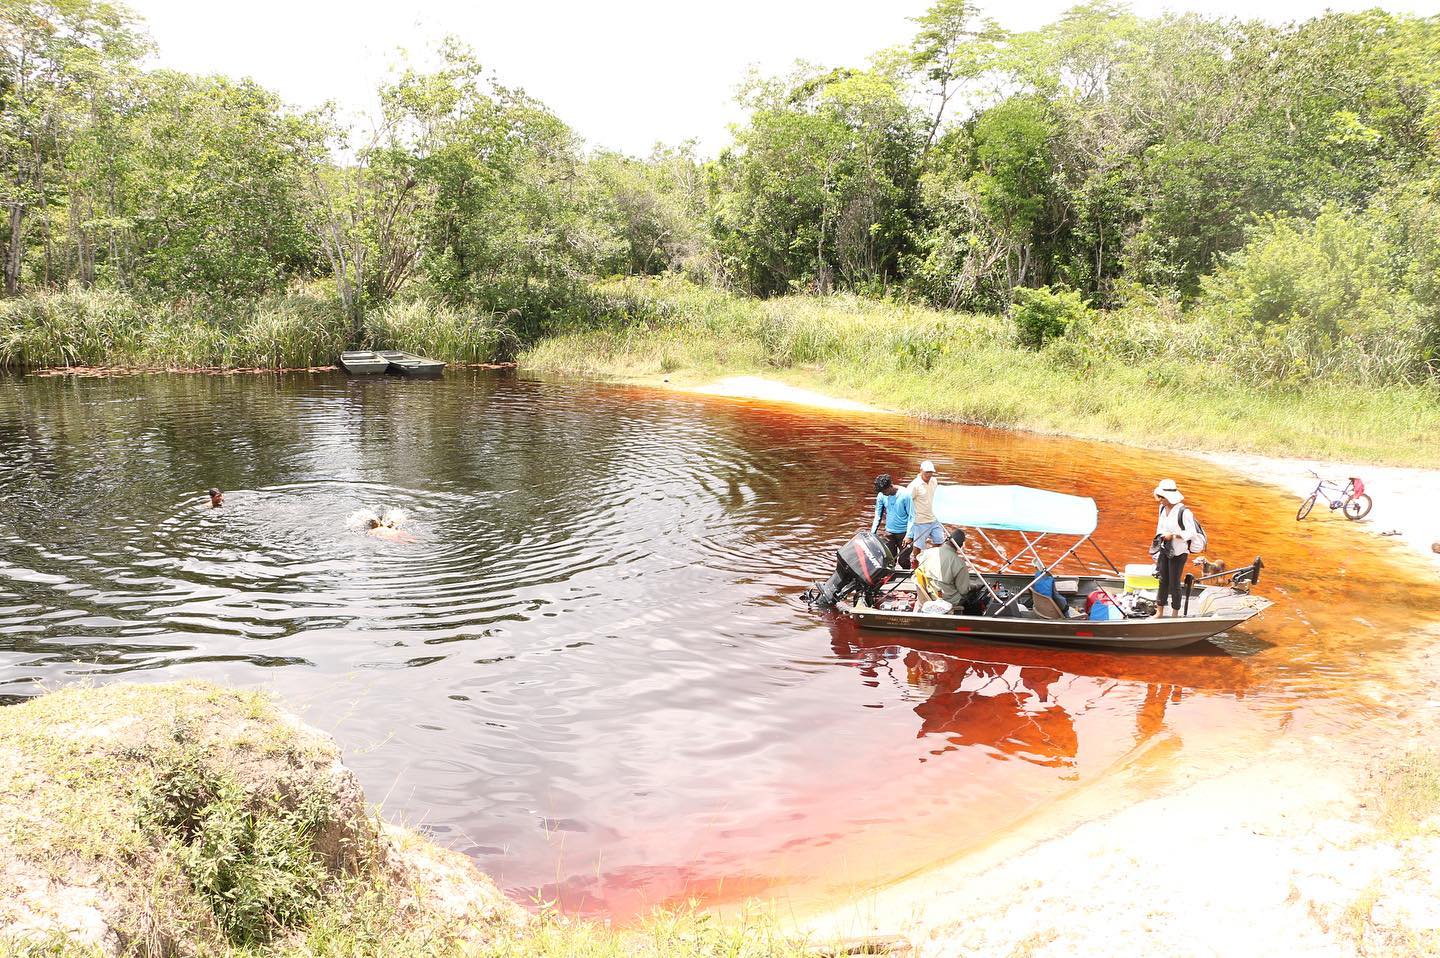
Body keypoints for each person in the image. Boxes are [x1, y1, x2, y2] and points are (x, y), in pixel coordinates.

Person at [1151, 479, 1202, 617]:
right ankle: (1159, 611)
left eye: (1162, 497)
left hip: (1179, 552)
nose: (1160, 500)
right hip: (1164, 549)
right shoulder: (1162, 508)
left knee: (1174, 583)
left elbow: (1191, 533)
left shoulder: (1184, 512)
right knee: (1162, 580)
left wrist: (1173, 536)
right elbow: (1160, 527)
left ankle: (1175, 613)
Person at [914, 527, 971, 611]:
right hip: (947, 600)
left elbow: (918, 560)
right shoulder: (959, 563)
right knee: (971, 597)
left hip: (928, 593)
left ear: (947, 539)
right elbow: (963, 591)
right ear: (960, 545)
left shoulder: (927, 553)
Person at [870, 474, 914, 568]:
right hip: (889, 533)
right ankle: (890, 576)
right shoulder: (881, 495)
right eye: (881, 492)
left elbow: (912, 516)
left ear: (890, 486)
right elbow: (878, 515)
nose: (883, 494)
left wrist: (909, 536)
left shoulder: (905, 495)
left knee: (903, 560)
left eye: (885, 491)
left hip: (904, 533)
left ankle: (908, 574)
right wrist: (872, 533)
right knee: (890, 561)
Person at [906, 460, 944, 553]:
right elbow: (907, 502)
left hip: (934, 519)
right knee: (918, 547)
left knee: (940, 541)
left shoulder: (934, 481)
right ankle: (916, 560)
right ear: (921, 471)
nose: (929, 474)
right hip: (920, 521)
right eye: (927, 472)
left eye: (931, 472)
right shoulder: (914, 485)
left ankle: (932, 558)